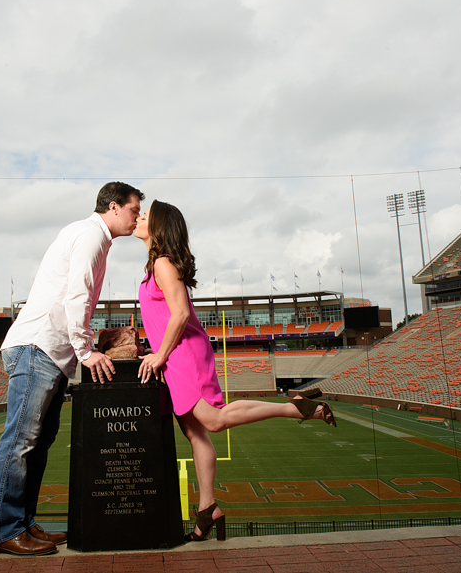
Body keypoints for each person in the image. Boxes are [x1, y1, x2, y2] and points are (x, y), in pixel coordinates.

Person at [134, 200, 335, 542]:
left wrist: (160, 354)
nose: (138, 218)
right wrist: (157, 351)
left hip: (183, 354)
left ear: (158, 227)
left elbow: (181, 314)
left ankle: (298, 407)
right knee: (195, 434)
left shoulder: (164, 264)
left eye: (144, 215)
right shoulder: (155, 265)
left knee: (212, 420)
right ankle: (208, 509)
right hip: (171, 356)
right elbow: (166, 317)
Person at [0, 182, 144, 556]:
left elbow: (79, 300)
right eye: (134, 209)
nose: (137, 217)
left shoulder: (93, 237)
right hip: (38, 347)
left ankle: (22, 524)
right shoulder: (90, 235)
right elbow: (76, 295)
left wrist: (88, 343)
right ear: (114, 206)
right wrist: (86, 350)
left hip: (51, 353)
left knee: (38, 445)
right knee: (21, 442)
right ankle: (2, 531)